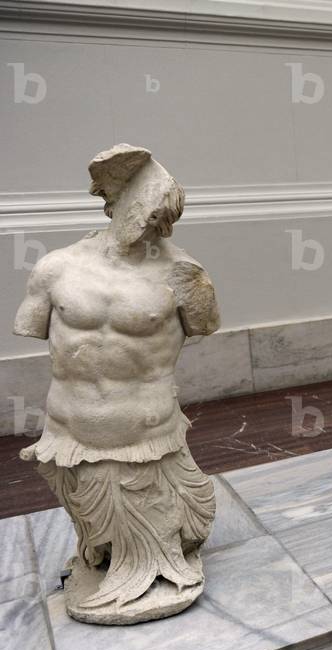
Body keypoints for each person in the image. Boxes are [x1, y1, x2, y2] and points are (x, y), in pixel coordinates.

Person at [15, 144, 220, 624]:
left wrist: (197, 292)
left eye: (164, 217)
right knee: (98, 532)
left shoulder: (183, 274)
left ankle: (154, 567)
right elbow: (32, 326)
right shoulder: (56, 268)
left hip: (147, 435)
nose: (154, 224)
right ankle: (104, 557)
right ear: (118, 198)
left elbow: (206, 324)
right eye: (149, 209)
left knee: (185, 526)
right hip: (72, 432)